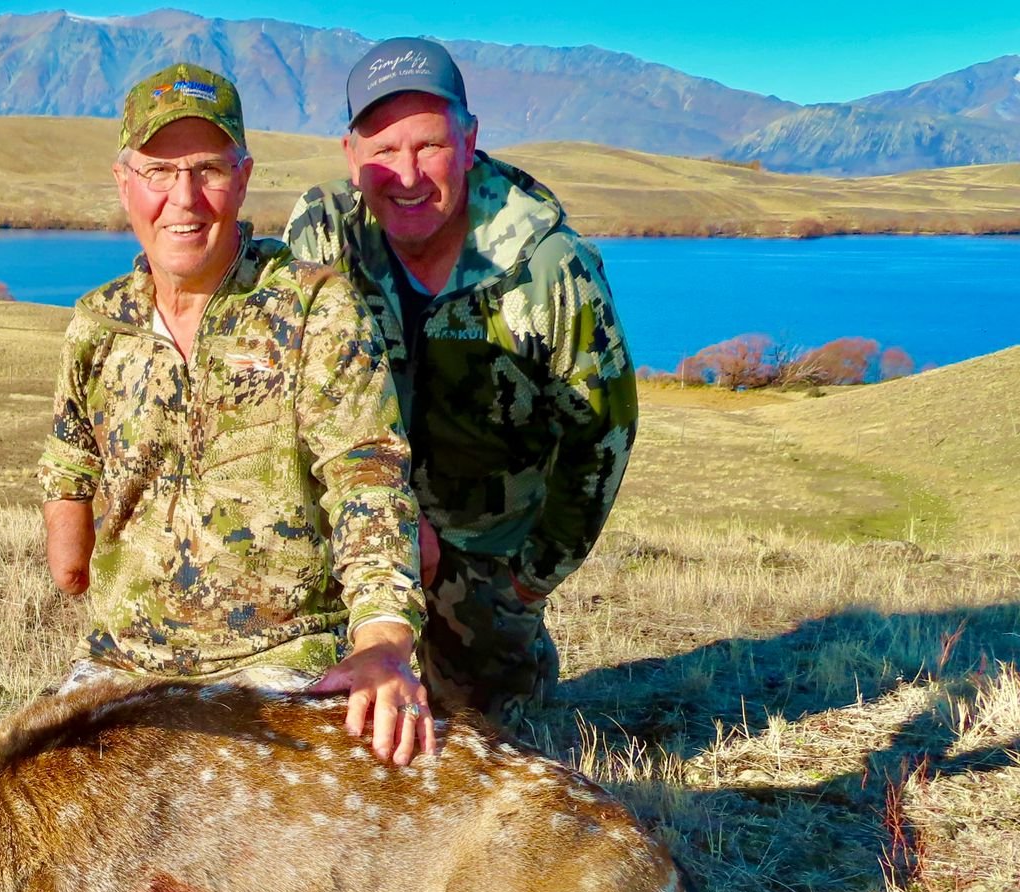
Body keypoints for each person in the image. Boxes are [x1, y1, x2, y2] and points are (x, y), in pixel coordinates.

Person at [39, 62, 434, 765]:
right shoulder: (96, 326)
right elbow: (67, 469)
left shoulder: (315, 306)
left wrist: (381, 637)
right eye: (158, 172)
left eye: (208, 170)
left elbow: (366, 476)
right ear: (124, 181)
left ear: (244, 177)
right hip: (122, 666)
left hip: (285, 662)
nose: (183, 198)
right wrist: (74, 569)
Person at [285, 38, 636, 729]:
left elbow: (602, 436)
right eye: (383, 150)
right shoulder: (325, 239)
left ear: (469, 141)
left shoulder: (552, 271)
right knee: (318, 718)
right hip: (360, 519)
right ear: (351, 154)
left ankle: (514, 649)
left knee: (483, 736)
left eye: (430, 147)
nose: (407, 174)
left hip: (486, 547)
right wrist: (386, 522)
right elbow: (287, 395)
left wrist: (531, 578)